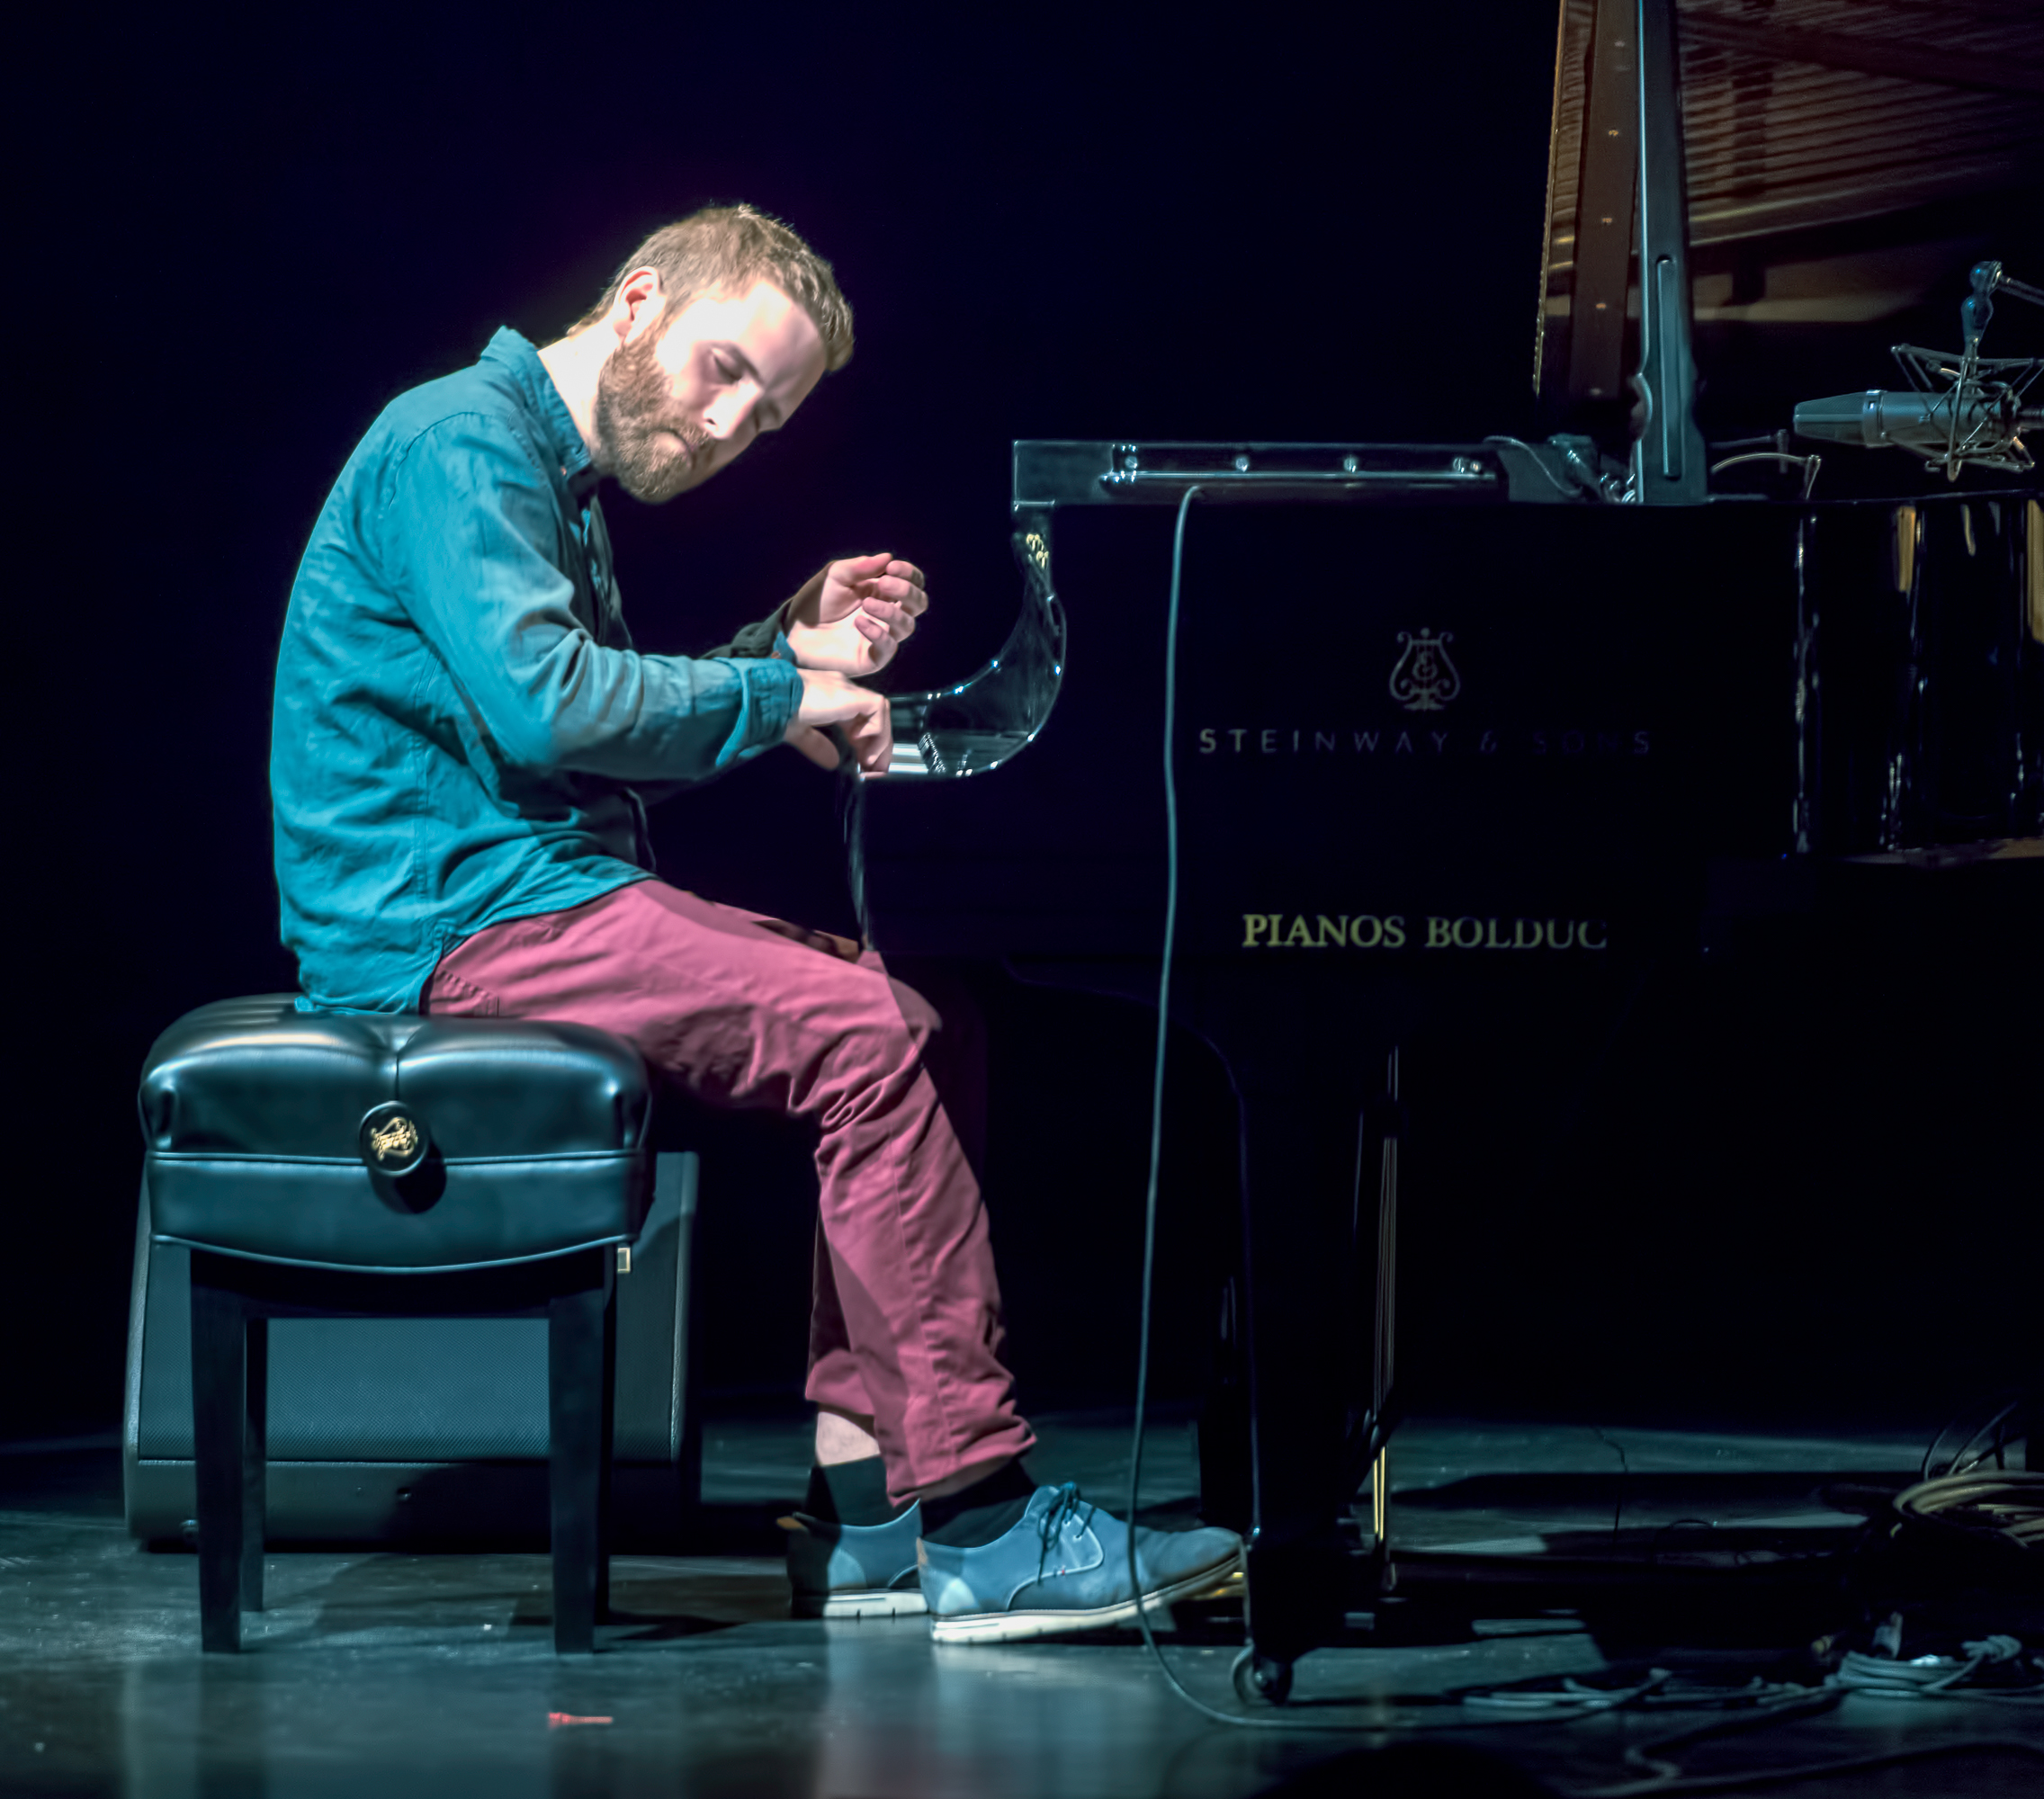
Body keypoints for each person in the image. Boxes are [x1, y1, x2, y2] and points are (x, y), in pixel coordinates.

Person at [268, 203, 1241, 1641]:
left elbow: (559, 726)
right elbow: (552, 704)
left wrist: (767, 655)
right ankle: (980, 1521)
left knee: (921, 1014)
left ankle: (874, 1512)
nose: (729, 425)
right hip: (451, 933)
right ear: (640, 299)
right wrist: (785, 697)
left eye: (764, 417)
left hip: (522, 903)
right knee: (864, 1030)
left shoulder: (540, 473)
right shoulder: (458, 441)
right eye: (725, 372)